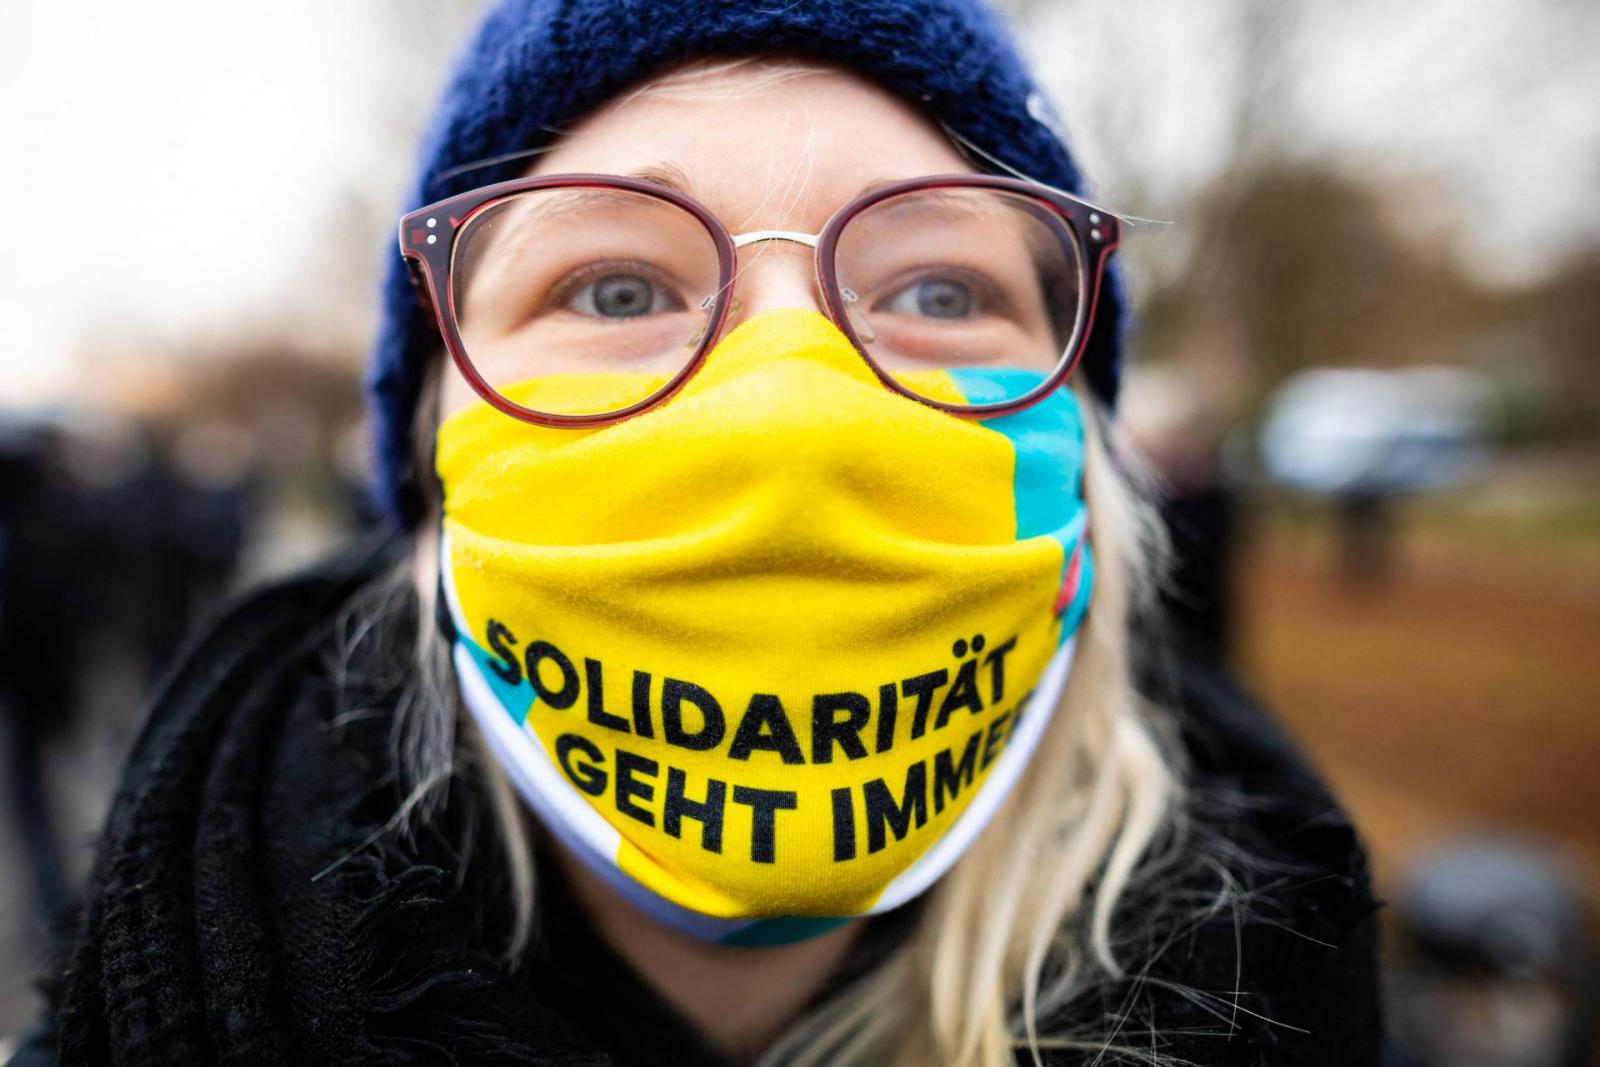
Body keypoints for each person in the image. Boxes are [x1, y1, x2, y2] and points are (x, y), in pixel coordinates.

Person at [10, 0, 1383, 1063]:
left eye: (939, 287)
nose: (787, 399)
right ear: (431, 442)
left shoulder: (1307, 981)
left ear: (1087, 444)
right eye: (613, 288)